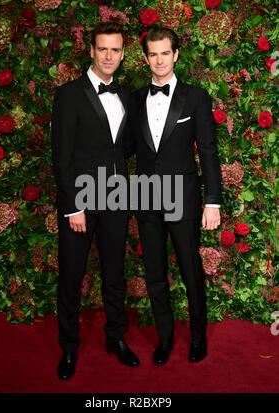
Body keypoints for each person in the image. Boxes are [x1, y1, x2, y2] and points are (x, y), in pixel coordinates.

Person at [126, 27, 222, 365]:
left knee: (190, 269)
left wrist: (213, 201)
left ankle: (198, 338)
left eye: (165, 53)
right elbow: (123, 149)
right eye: (153, 54)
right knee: (154, 273)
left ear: (176, 55)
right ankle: (164, 340)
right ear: (146, 58)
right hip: (146, 197)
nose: (159, 60)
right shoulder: (134, 99)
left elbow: (208, 152)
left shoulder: (196, 97)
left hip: (183, 197)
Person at [51, 22, 140, 381]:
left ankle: (115, 338)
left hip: (117, 196)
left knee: (114, 275)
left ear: (122, 53)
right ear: (91, 50)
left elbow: (127, 146)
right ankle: (69, 346)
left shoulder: (129, 95)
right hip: (81, 198)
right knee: (72, 276)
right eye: (102, 48)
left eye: (115, 49)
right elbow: (62, 156)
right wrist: (73, 206)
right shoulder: (69, 95)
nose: (108, 56)